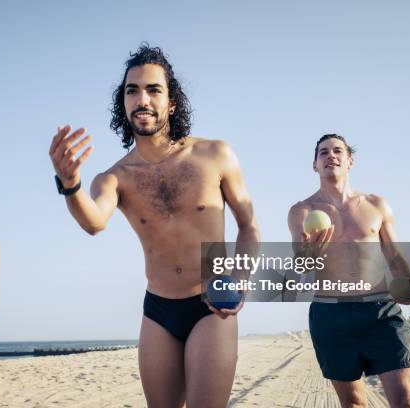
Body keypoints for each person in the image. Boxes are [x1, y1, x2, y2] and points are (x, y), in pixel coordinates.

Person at [49, 44, 259, 407]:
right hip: (157, 310)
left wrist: (239, 281)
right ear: (123, 104)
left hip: (211, 305)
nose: (141, 99)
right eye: (132, 91)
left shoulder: (215, 155)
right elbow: (93, 221)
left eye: (153, 89)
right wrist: (70, 184)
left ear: (171, 102)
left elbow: (249, 226)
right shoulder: (115, 178)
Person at [287, 134, 410, 408]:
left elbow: (393, 254)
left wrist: (409, 282)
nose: (330, 156)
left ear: (350, 161)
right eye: (323, 152)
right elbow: (298, 271)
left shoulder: (376, 205)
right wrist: (309, 257)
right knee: (353, 404)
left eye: (337, 151)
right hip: (330, 313)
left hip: (381, 310)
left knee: (406, 400)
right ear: (315, 165)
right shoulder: (302, 210)